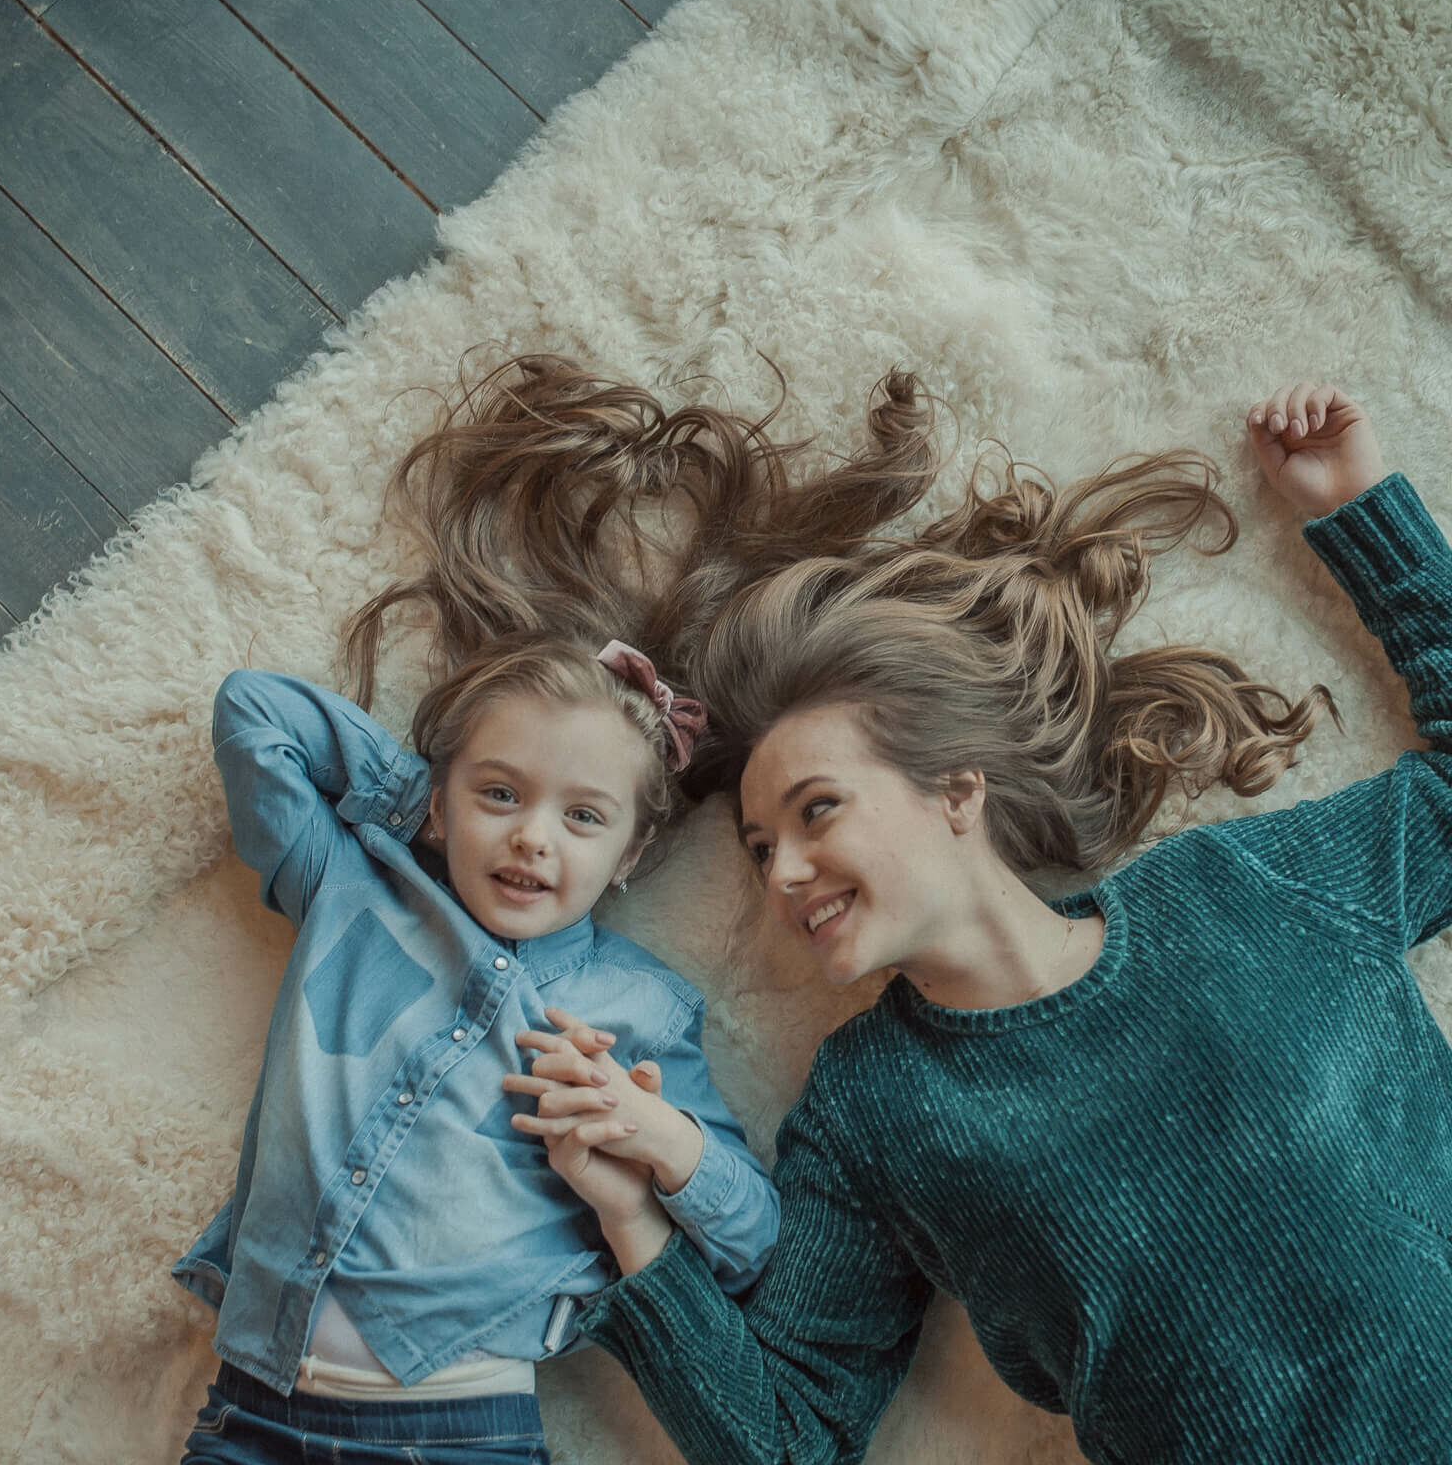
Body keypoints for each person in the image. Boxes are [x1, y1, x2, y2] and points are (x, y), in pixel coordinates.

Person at [509, 383, 1452, 1463]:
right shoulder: (872, 1114)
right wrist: (630, 1218)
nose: (786, 873)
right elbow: (785, 1441)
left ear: (956, 792)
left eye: (816, 811)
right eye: (762, 849)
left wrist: (1360, 505)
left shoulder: (1237, 893)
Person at [171, 353, 938, 1465]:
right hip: (250, 1406)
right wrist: (414, 811)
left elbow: (754, 1240)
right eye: (500, 795)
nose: (531, 836)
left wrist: (659, 1137)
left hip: (459, 1427)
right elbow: (256, 714)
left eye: (583, 818)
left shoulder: (635, 1009)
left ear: (630, 854)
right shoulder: (354, 891)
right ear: (443, 800)